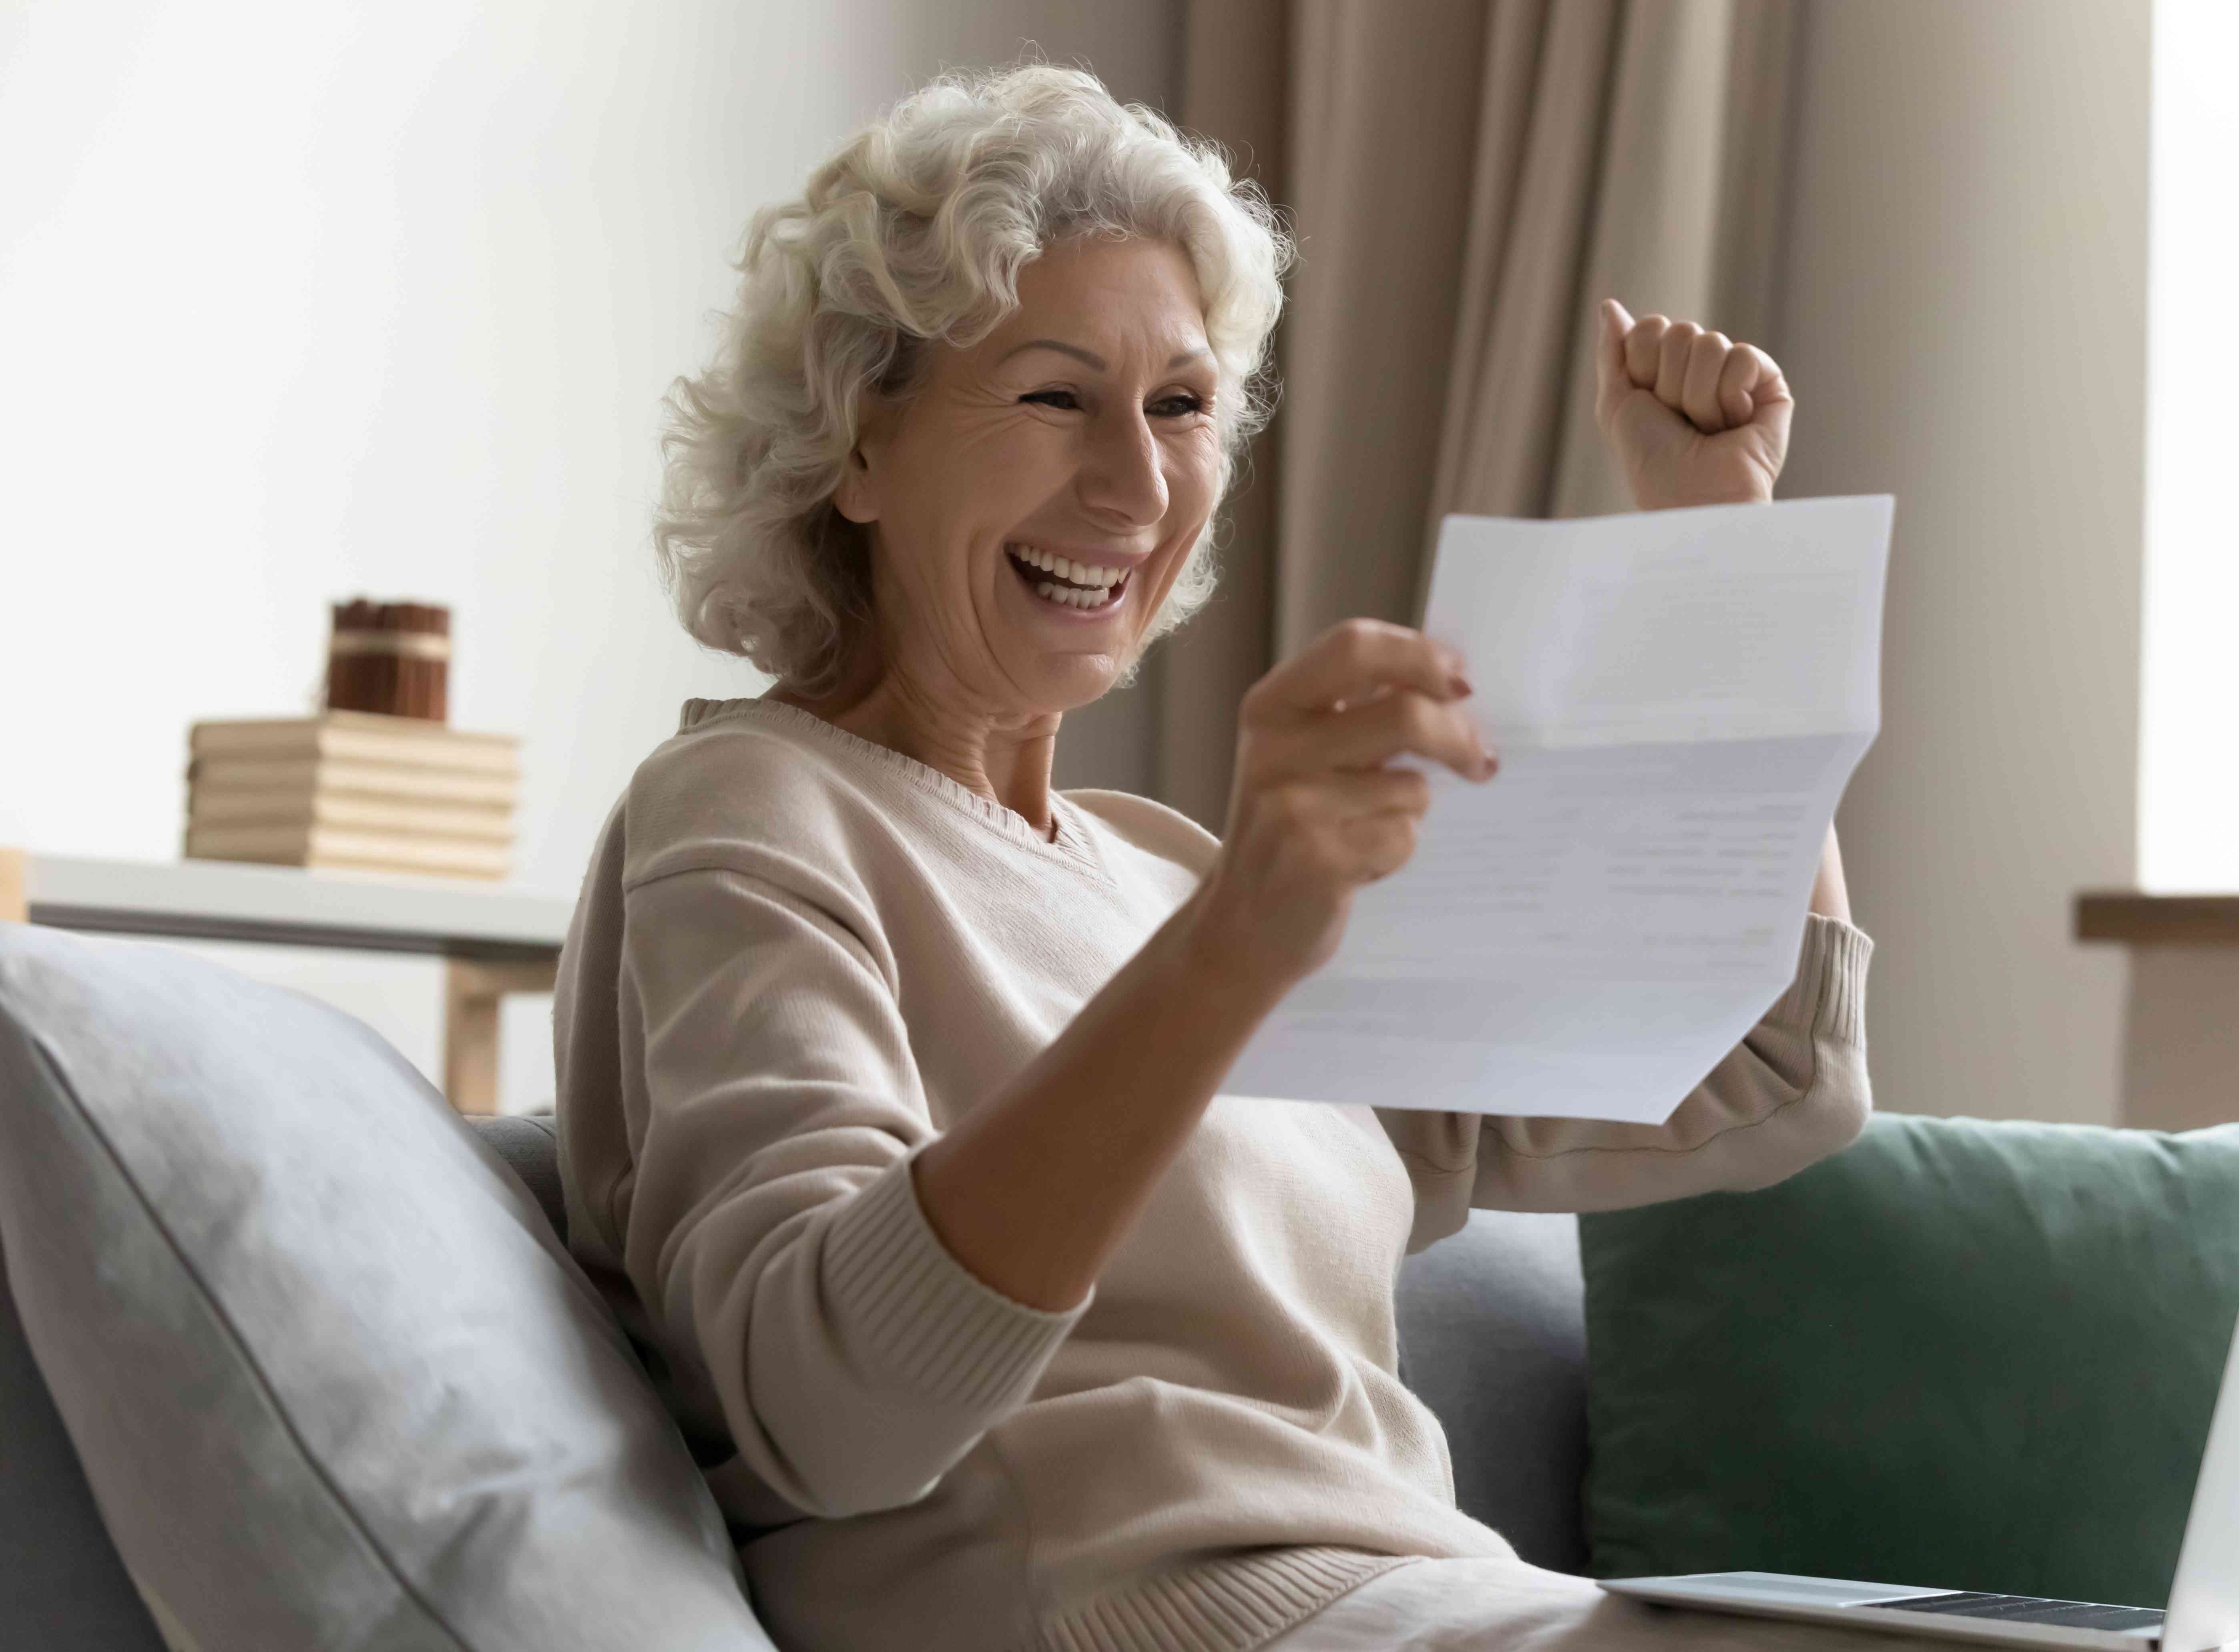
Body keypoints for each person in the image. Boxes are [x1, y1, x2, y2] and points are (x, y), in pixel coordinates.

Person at [554, 62, 1886, 1652]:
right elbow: (831, 1406)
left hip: (1448, 1601)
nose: (1135, 485)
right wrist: (1236, 949)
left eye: (1181, 405)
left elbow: (1760, 1064)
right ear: (856, 446)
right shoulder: (753, 805)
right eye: (1055, 397)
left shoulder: (1166, 868)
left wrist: (1712, 566)